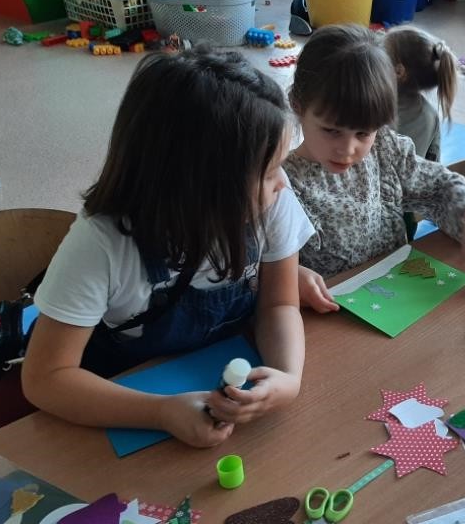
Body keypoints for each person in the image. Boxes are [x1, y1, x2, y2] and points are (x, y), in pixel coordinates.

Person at [21, 48, 314, 448]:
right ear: (202, 186)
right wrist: (159, 413)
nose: (282, 182)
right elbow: (45, 379)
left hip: (217, 380)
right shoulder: (102, 244)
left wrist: (288, 377)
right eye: (267, 172)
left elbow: (279, 305)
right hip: (117, 397)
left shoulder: (272, 201)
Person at [283, 24, 465, 313]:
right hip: (329, 323)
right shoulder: (280, 183)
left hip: (397, 307)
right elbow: (249, 268)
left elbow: (441, 186)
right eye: (331, 130)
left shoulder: (385, 149)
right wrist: (286, 277)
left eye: (363, 133)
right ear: (297, 105)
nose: (348, 149)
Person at [383, 26, 457, 162]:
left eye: (381, 56)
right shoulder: (431, 116)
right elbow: (433, 164)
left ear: (399, 71)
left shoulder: (371, 106)